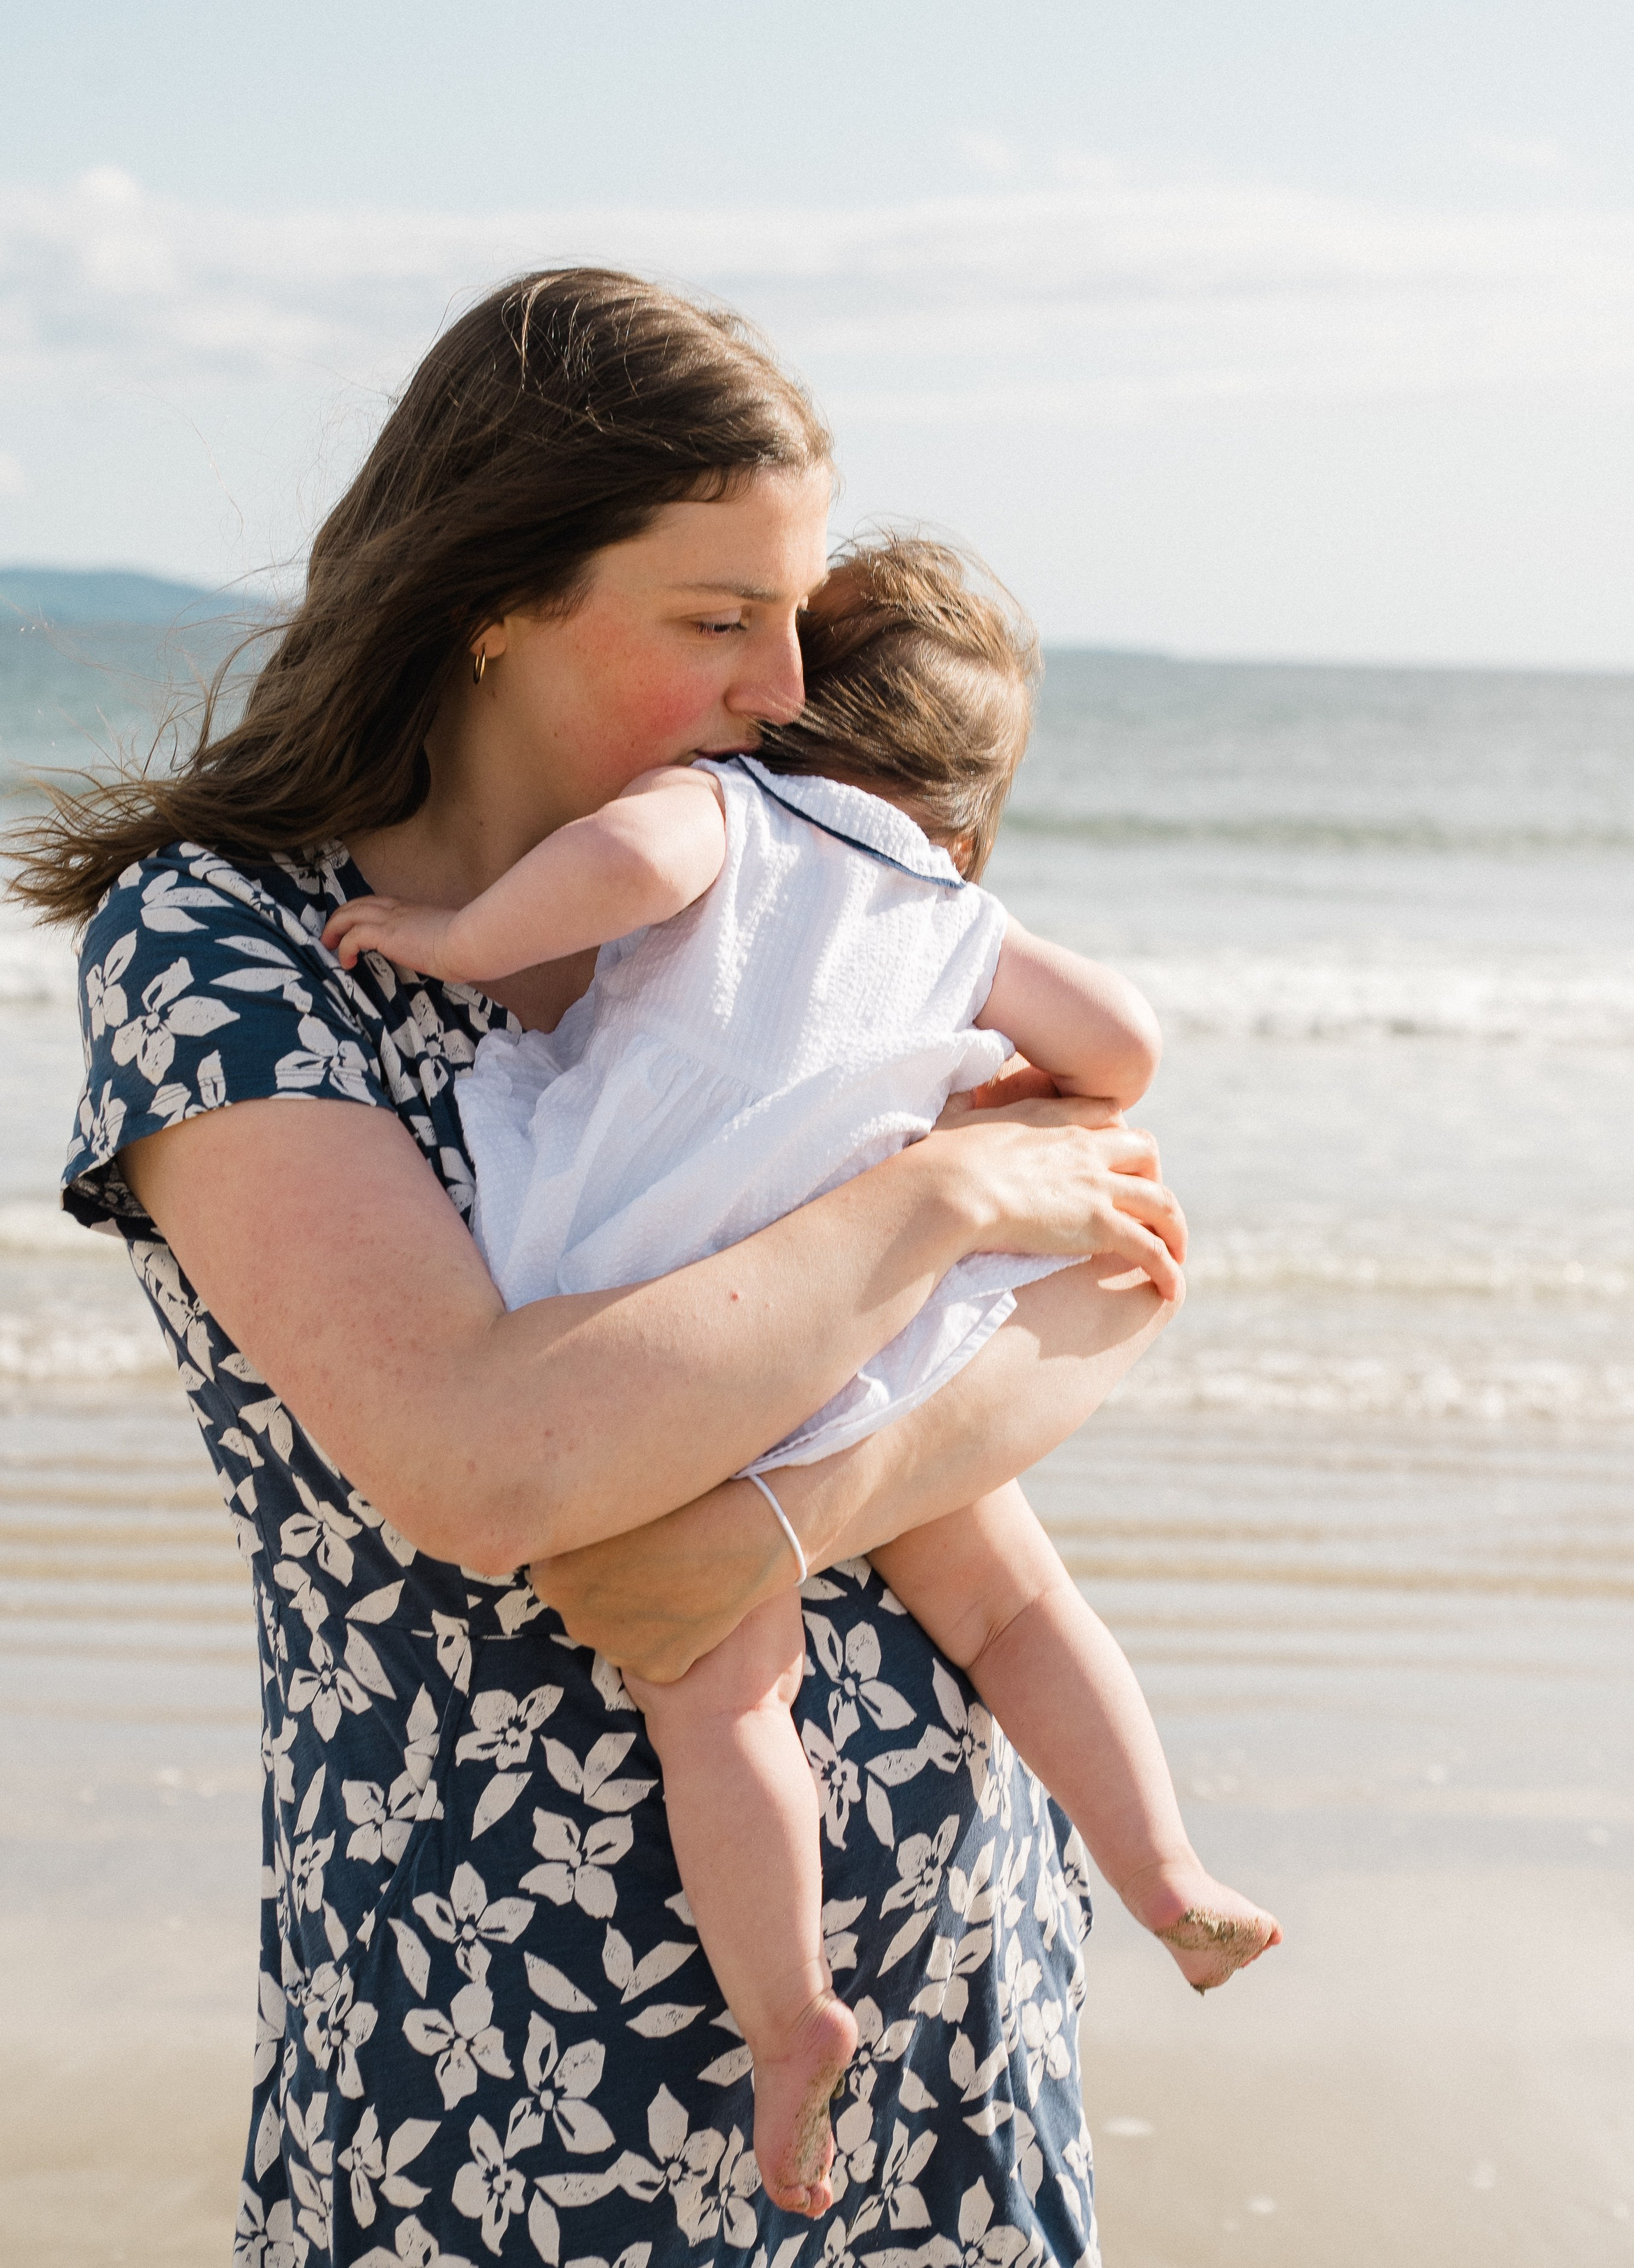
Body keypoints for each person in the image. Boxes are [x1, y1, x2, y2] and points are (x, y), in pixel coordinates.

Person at [19, 269, 1190, 2267]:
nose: (786, 683)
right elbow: (490, 1459)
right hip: (513, 2043)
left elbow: (1120, 1283)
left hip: (941, 1995)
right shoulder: (233, 947)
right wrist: (931, 1207)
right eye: (719, 617)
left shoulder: (790, 879)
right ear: (494, 592)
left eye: (801, 615)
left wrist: (785, 1515)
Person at [322, 536, 1280, 2216]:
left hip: (669, 1324)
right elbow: (1124, 1050)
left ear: (791, 705)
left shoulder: (727, 813)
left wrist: (460, 936)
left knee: (724, 1702)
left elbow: (614, 862)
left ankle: (786, 2022)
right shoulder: (957, 913)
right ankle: (1172, 1867)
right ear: (973, 791)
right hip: (861, 1337)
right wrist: (1015, 1074)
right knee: (1018, 1605)